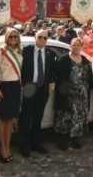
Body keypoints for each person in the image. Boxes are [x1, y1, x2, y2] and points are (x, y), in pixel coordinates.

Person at [20, 29, 56, 157]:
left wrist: (52, 82)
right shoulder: (27, 51)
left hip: (43, 89)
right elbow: (20, 68)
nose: (42, 40)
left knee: (38, 116)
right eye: (40, 37)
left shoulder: (50, 53)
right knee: (26, 117)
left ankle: (36, 143)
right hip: (29, 88)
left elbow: (52, 70)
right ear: (35, 38)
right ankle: (24, 145)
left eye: (45, 38)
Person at [0, 28, 23, 163]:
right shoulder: (1, 51)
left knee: (10, 120)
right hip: (4, 87)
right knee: (3, 120)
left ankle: (8, 147)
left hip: (15, 87)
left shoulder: (19, 51)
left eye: (15, 36)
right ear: (7, 38)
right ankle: (2, 149)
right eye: (11, 37)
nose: (13, 39)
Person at [55, 37, 93, 149]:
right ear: (70, 46)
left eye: (78, 45)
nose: (76, 47)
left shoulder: (85, 60)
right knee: (65, 116)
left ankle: (76, 138)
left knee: (79, 116)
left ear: (81, 47)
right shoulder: (63, 59)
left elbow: (89, 76)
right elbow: (58, 77)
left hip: (82, 95)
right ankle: (63, 140)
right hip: (67, 93)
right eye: (74, 45)